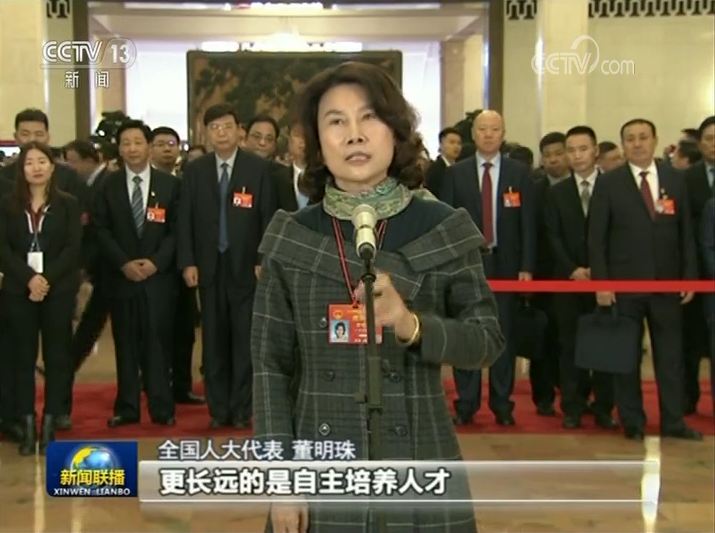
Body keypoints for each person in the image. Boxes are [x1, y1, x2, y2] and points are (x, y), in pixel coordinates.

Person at [252, 61, 504, 533]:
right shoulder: (291, 237)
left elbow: (486, 342)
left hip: (420, 457)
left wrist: (412, 325)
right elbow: (270, 367)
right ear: (316, 141)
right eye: (336, 121)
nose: (354, 134)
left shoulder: (443, 228)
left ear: (395, 130)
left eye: (368, 117)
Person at [588, 118, 702, 441]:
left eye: (643, 137)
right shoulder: (609, 183)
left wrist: (689, 277)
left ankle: (673, 421)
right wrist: (602, 283)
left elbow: (686, 233)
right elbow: (596, 238)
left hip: (667, 285)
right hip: (624, 285)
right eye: (630, 139)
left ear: (655, 140)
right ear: (623, 144)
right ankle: (633, 421)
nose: (637, 144)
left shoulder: (675, 179)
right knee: (627, 357)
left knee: (671, 357)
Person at [178, 104, 278, 429]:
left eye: (226, 126)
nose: (221, 133)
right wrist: (188, 261)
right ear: (206, 133)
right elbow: (184, 220)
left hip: (246, 268)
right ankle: (218, 410)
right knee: (214, 342)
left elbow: (268, 217)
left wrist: (263, 258)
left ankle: (241, 409)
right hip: (208, 268)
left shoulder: (257, 169)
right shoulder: (196, 170)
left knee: (244, 341)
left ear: (239, 131)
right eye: (214, 128)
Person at [438, 109, 536, 426]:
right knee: (466, 333)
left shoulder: (520, 173)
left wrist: (527, 266)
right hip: (467, 265)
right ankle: (466, 403)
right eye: (483, 129)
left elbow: (528, 223)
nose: (489, 134)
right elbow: (447, 223)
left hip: (507, 264)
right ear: (474, 134)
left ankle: (502, 403)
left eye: (495, 129)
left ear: (503, 133)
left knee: (503, 335)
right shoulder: (457, 173)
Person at [94, 120, 180, 427]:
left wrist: (156, 262)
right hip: (122, 278)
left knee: (158, 344)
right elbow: (100, 230)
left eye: (138, 142)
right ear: (119, 149)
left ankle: (162, 407)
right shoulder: (108, 185)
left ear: (148, 146)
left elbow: (177, 230)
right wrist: (123, 264)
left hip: (159, 279)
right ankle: (128, 407)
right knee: (125, 344)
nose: (132, 149)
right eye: (126, 143)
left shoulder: (170, 185)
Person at [0, 142, 82, 455]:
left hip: (57, 290)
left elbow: (72, 248)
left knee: (57, 357)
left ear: (52, 166)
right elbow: (3, 249)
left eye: (42, 161)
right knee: (22, 358)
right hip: (18, 289)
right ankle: (26, 424)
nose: (36, 167)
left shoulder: (68, 204)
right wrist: (29, 278)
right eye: (29, 162)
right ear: (21, 169)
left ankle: (50, 423)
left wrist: (46, 279)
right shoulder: (7, 205)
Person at [545, 125, 616, 430]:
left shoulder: (613, 187)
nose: (577, 155)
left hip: (605, 280)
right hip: (568, 281)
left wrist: (600, 271)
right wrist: (572, 269)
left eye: (583, 149)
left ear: (595, 150)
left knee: (604, 345)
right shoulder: (556, 192)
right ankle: (572, 407)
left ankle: (603, 407)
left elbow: (618, 234)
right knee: (569, 346)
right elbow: (552, 236)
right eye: (571, 150)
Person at [59, 140, 112, 429]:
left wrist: (85, 265)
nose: (70, 167)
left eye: (73, 160)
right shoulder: (87, 184)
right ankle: (68, 364)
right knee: (92, 321)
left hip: (108, 265)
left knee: (94, 321)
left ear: (90, 160)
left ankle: (68, 364)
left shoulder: (105, 182)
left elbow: (98, 229)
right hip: (98, 266)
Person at [151, 127, 203, 405]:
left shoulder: (187, 181)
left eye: (171, 143)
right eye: (160, 144)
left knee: (184, 331)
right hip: (154, 269)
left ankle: (182, 386)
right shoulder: (146, 183)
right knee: (157, 332)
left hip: (183, 267)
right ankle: (156, 384)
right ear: (151, 149)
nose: (166, 149)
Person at [682, 115, 715, 414]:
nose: (714, 144)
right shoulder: (685, 178)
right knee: (691, 341)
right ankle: (687, 398)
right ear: (699, 143)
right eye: (709, 139)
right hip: (695, 272)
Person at [272, 120, 310, 211]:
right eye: (297, 135)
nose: (302, 141)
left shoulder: (327, 177)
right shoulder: (276, 179)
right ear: (289, 139)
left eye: (308, 136)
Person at [424, 127, 462, 195]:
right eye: (452, 142)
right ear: (441, 145)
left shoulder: (461, 168)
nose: (456, 146)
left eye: (459, 143)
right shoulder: (435, 169)